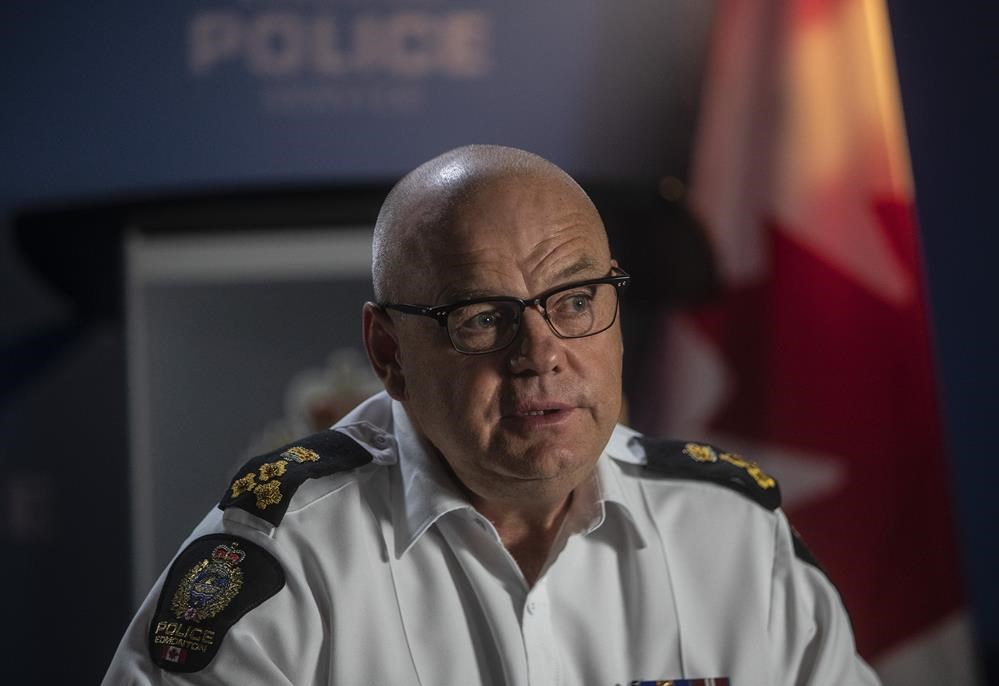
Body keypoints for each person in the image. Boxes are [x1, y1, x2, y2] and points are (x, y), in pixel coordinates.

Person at [103, 145, 880, 685]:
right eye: (481, 317)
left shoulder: (734, 535)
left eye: (575, 301)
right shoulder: (287, 558)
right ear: (389, 352)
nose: (540, 355)